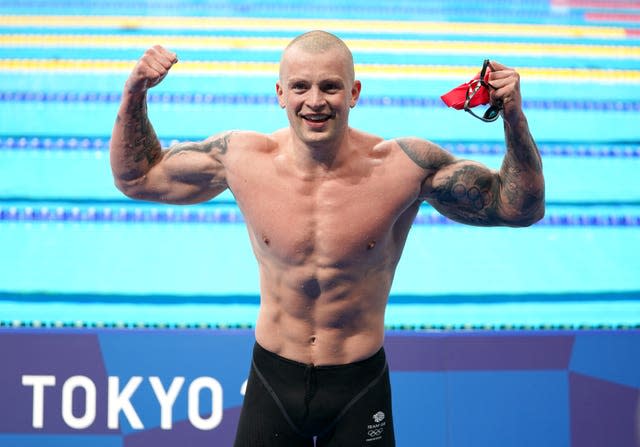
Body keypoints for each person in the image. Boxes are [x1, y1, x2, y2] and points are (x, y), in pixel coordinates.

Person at [110, 31, 544, 447]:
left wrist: (513, 118)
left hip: (358, 385)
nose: (314, 102)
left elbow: (517, 208)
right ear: (280, 93)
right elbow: (137, 177)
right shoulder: (242, 159)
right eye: (300, 87)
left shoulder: (403, 167)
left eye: (330, 87)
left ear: (354, 93)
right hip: (272, 379)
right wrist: (135, 92)